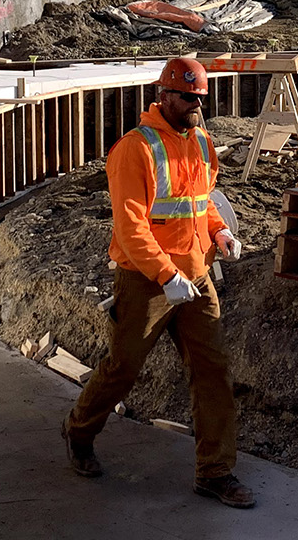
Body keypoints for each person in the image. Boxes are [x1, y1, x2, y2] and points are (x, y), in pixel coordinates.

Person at [63, 56, 254, 507]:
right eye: (188, 98)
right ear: (164, 95)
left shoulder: (202, 143)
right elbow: (131, 228)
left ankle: (215, 472)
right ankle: (78, 430)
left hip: (195, 274)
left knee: (212, 371)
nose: (195, 106)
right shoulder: (136, 148)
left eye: (201, 99)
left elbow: (198, 202)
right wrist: (165, 276)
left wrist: (219, 230)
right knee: (123, 368)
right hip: (147, 280)